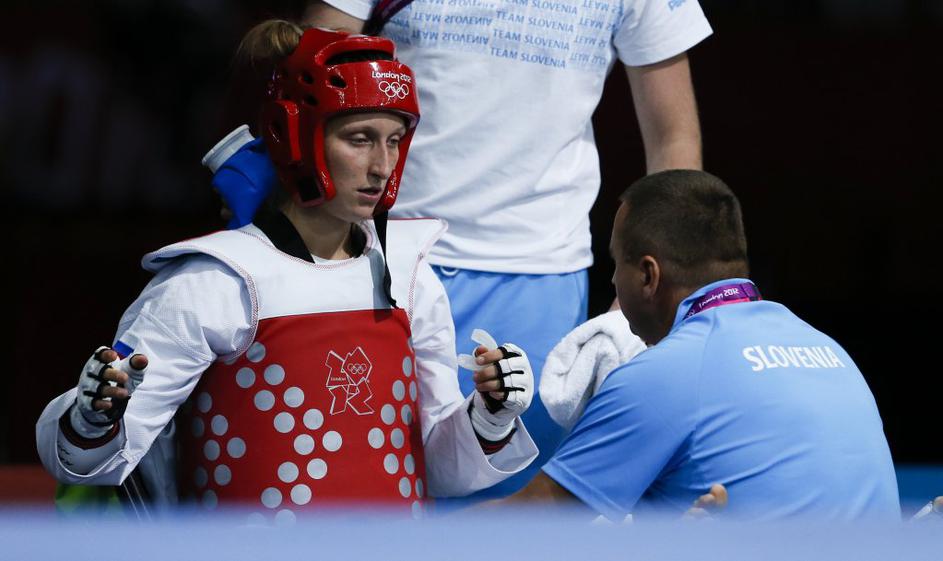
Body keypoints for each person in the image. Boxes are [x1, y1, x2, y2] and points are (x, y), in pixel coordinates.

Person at [208, 0, 713, 503]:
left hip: (540, 274)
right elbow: (313, 73)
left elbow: (674, 139)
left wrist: (638, 306)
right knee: (348, 485)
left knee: (508, 514)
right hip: (375, 258)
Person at [35, 23, 539, 519]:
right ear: (295, 138)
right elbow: (91, 465)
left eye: (394, 140)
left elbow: (441, 471)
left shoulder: (409, 277)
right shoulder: (216, 280)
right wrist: (92, 418)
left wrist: (491, 416)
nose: (382, 166)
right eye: (360, 139)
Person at [503, 170, 901, 521]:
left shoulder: (663, 373)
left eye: (617, 263)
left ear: (648, 275)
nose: (612, 282)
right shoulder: (831, 350)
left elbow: (528, 524)